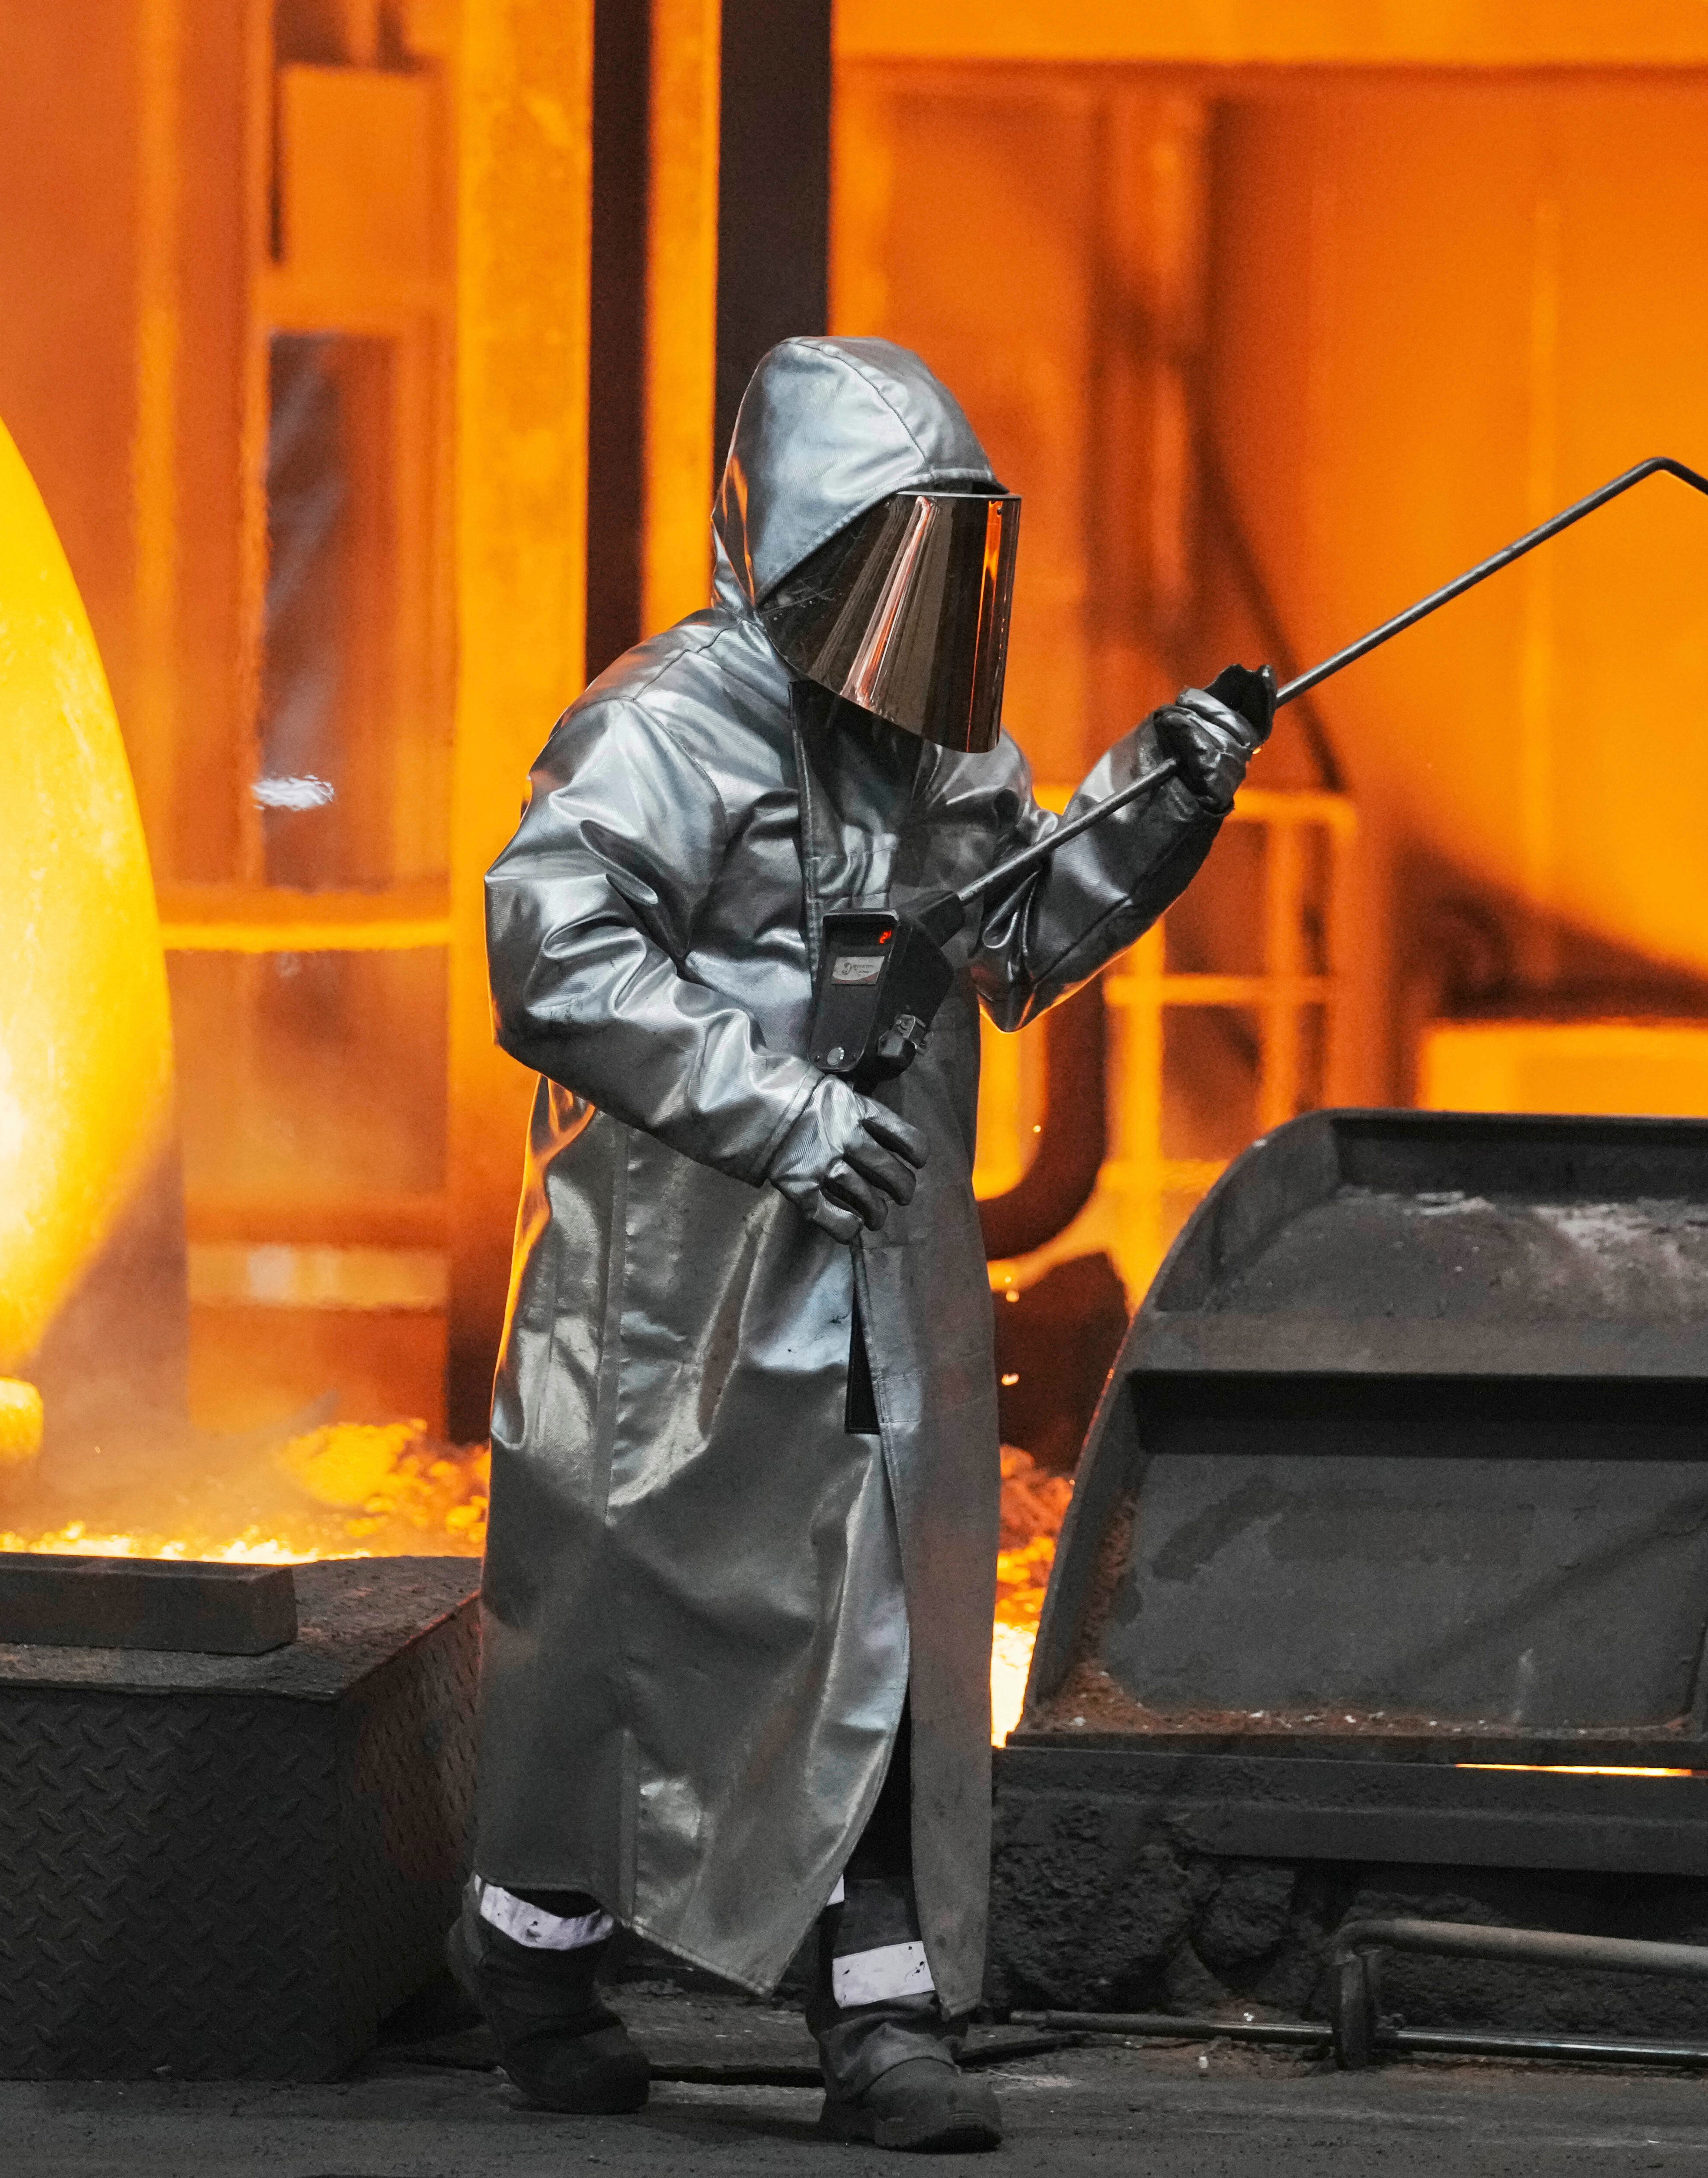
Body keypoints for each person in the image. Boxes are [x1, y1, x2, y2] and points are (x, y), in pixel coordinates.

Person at [455, 334, 1271, 2152]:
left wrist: (1160, 797)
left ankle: (875, 2011)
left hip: (871, 1269)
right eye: (888, 556)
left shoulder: (934, 743)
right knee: (621, 1636)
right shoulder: (664, 726)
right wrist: (776, 1108)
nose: (924, 604)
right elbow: (554, 948)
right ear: (803, 552)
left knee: (878, 1624)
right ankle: (532, 1954)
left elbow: (1012, 940)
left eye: (948, 557)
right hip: (673, 1282)